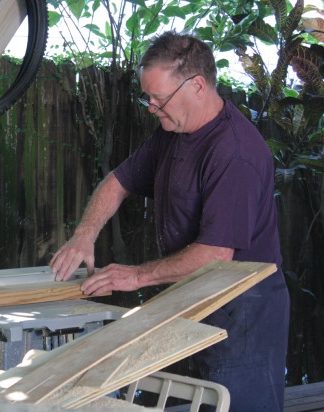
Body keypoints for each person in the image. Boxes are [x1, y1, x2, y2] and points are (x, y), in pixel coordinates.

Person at [50, 30, 290, 411]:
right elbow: (117, 182)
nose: (151, 106)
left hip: (243, 312)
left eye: (159, 98)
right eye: (148, 97)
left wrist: (136, 276)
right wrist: (83, 235)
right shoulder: (174, 132)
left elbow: (216, 254)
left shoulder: (234, 152)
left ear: (197, 85)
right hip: (193, 297)